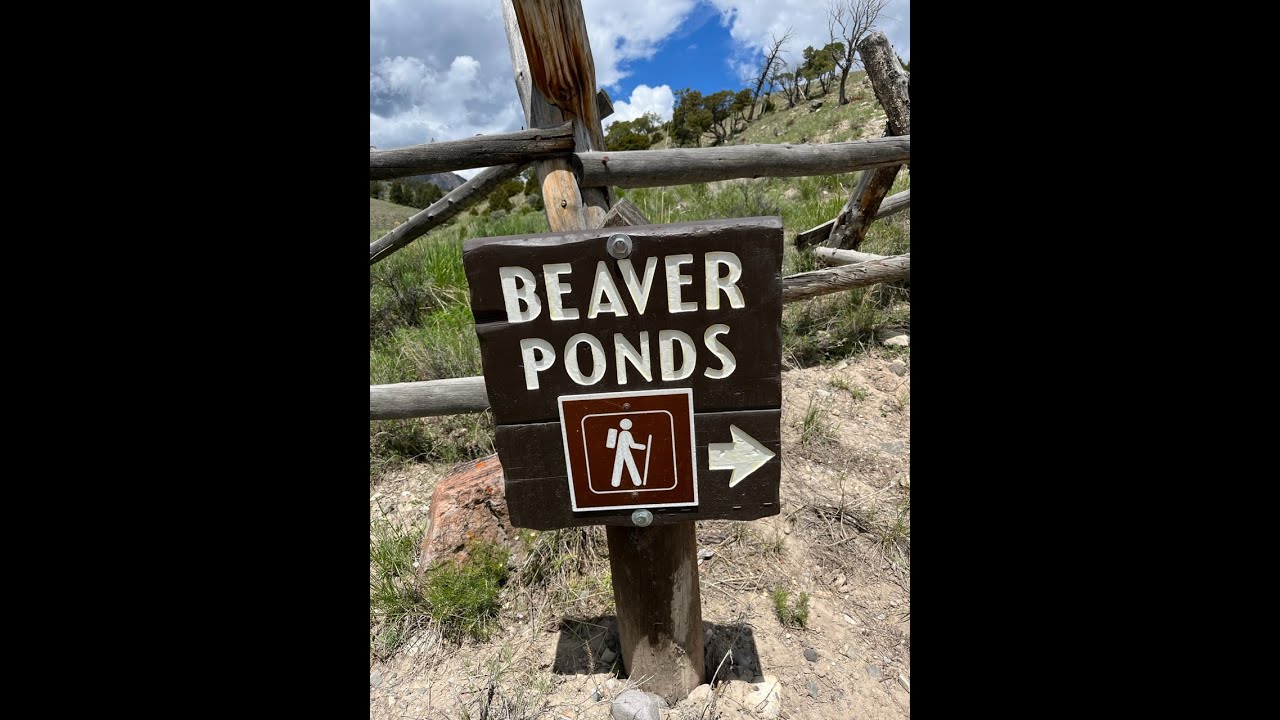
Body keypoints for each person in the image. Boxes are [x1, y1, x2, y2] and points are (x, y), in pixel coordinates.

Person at [608, 418, 647, 487]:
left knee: (619, 467)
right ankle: (637, 482)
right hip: (625, 452)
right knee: (631, 466)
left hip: (620, 452)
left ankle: (615, 483)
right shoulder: (627, 433)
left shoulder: (620, 433)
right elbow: (632, 445)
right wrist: (642, 447)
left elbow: (611, 444)